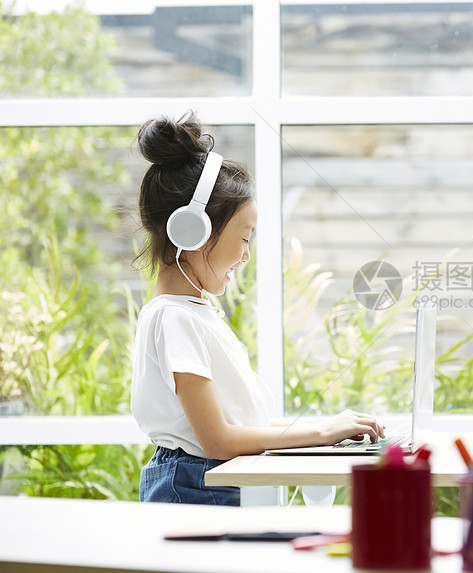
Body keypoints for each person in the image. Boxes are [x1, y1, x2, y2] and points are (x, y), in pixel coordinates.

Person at [130, 112, 384, 505]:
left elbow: (247, 425)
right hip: (196, 488)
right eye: (245, 237)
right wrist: (320, 435)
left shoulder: (195, 313)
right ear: (192, 230)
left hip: (210, 482)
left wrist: (328, 429)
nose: (247, 255)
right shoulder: (174, 318)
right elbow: (218, 439)